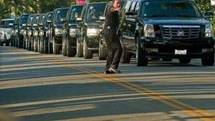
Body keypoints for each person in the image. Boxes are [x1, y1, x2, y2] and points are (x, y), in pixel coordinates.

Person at [104, 0, 122, 74]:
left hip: (110, 32)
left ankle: (108, 68)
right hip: (110, 32)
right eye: (117, 3)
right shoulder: (110, 8)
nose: (118, 4)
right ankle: (113, 67)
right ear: (113, 3)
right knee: (118, 49)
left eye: (119, 3)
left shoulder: (115, 11)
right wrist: (116, 9)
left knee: (111, 51)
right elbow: (111, 10)